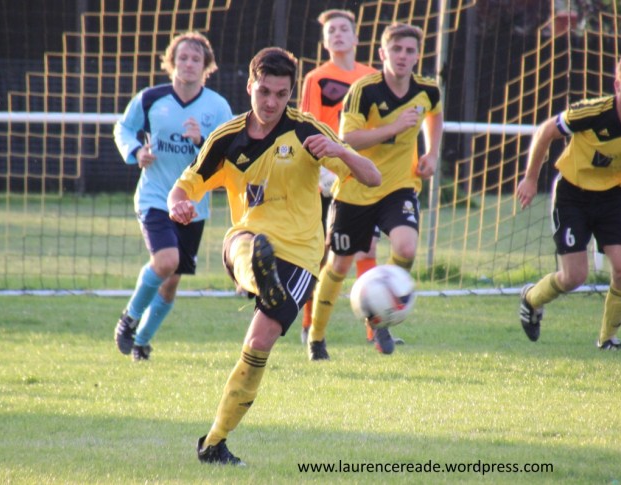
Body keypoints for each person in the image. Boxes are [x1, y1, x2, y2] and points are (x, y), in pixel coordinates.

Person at [168, 47, 380, 465]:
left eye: (281, 94)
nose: (270, 102)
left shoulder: (306, 131)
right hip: (247, 239)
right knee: (245, 246)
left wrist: (340, 152)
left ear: (290, 93)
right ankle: (260, 276)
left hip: (299, 256)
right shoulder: (228, 137)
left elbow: (371, 177)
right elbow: (185, 185)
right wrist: (178, 205)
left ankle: (214, 442)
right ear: (250, 85)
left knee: (258, 343)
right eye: (263, 91)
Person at [307, 22, 444, 360]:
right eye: (396, 49)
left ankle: (382, 313)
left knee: (406, 248)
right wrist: (393, 128)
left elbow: (435, 116)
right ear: (383, 53)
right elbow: (348, 139)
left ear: (417, 56)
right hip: (356, 187)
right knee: (339, 265)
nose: (402, 56)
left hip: (399, 186)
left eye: (409, 51)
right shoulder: (364, 90)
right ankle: (316, 338)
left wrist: (432, 154)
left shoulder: (428, 90)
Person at [516, 55, 621, 350]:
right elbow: (547, 131)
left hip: (613, 196)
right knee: (574, 276)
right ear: (617, 85)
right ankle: (531, 298)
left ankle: (607, 339)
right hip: (572, 194)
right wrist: (530, 178)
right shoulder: (591, 112)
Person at [112, 32, 232, 361]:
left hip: (193, 205)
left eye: (196, 59)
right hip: (154, 196)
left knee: (170, 282)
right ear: (171, 63)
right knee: (166, 261)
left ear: (206, 66)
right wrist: (136, 152)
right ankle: (129, 318)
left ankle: (141, 342)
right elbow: (123, 128)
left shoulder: (217, 107)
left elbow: (230, 152)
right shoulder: (151, 98)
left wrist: (201, 141)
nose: (189, 64)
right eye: (183, 58)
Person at [298, 8, 390, 347]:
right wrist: (319, 169)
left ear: (355, 37)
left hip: (362, 175)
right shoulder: (316, 78)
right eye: (331, 31)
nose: (337, 34)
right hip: (326, 176)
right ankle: (309, 324)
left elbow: (381, 127)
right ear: (324, 41)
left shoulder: (373, 78)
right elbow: (307, 125)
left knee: (367, 249)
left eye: (343, 29)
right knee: (321, 255)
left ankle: (375, 329)